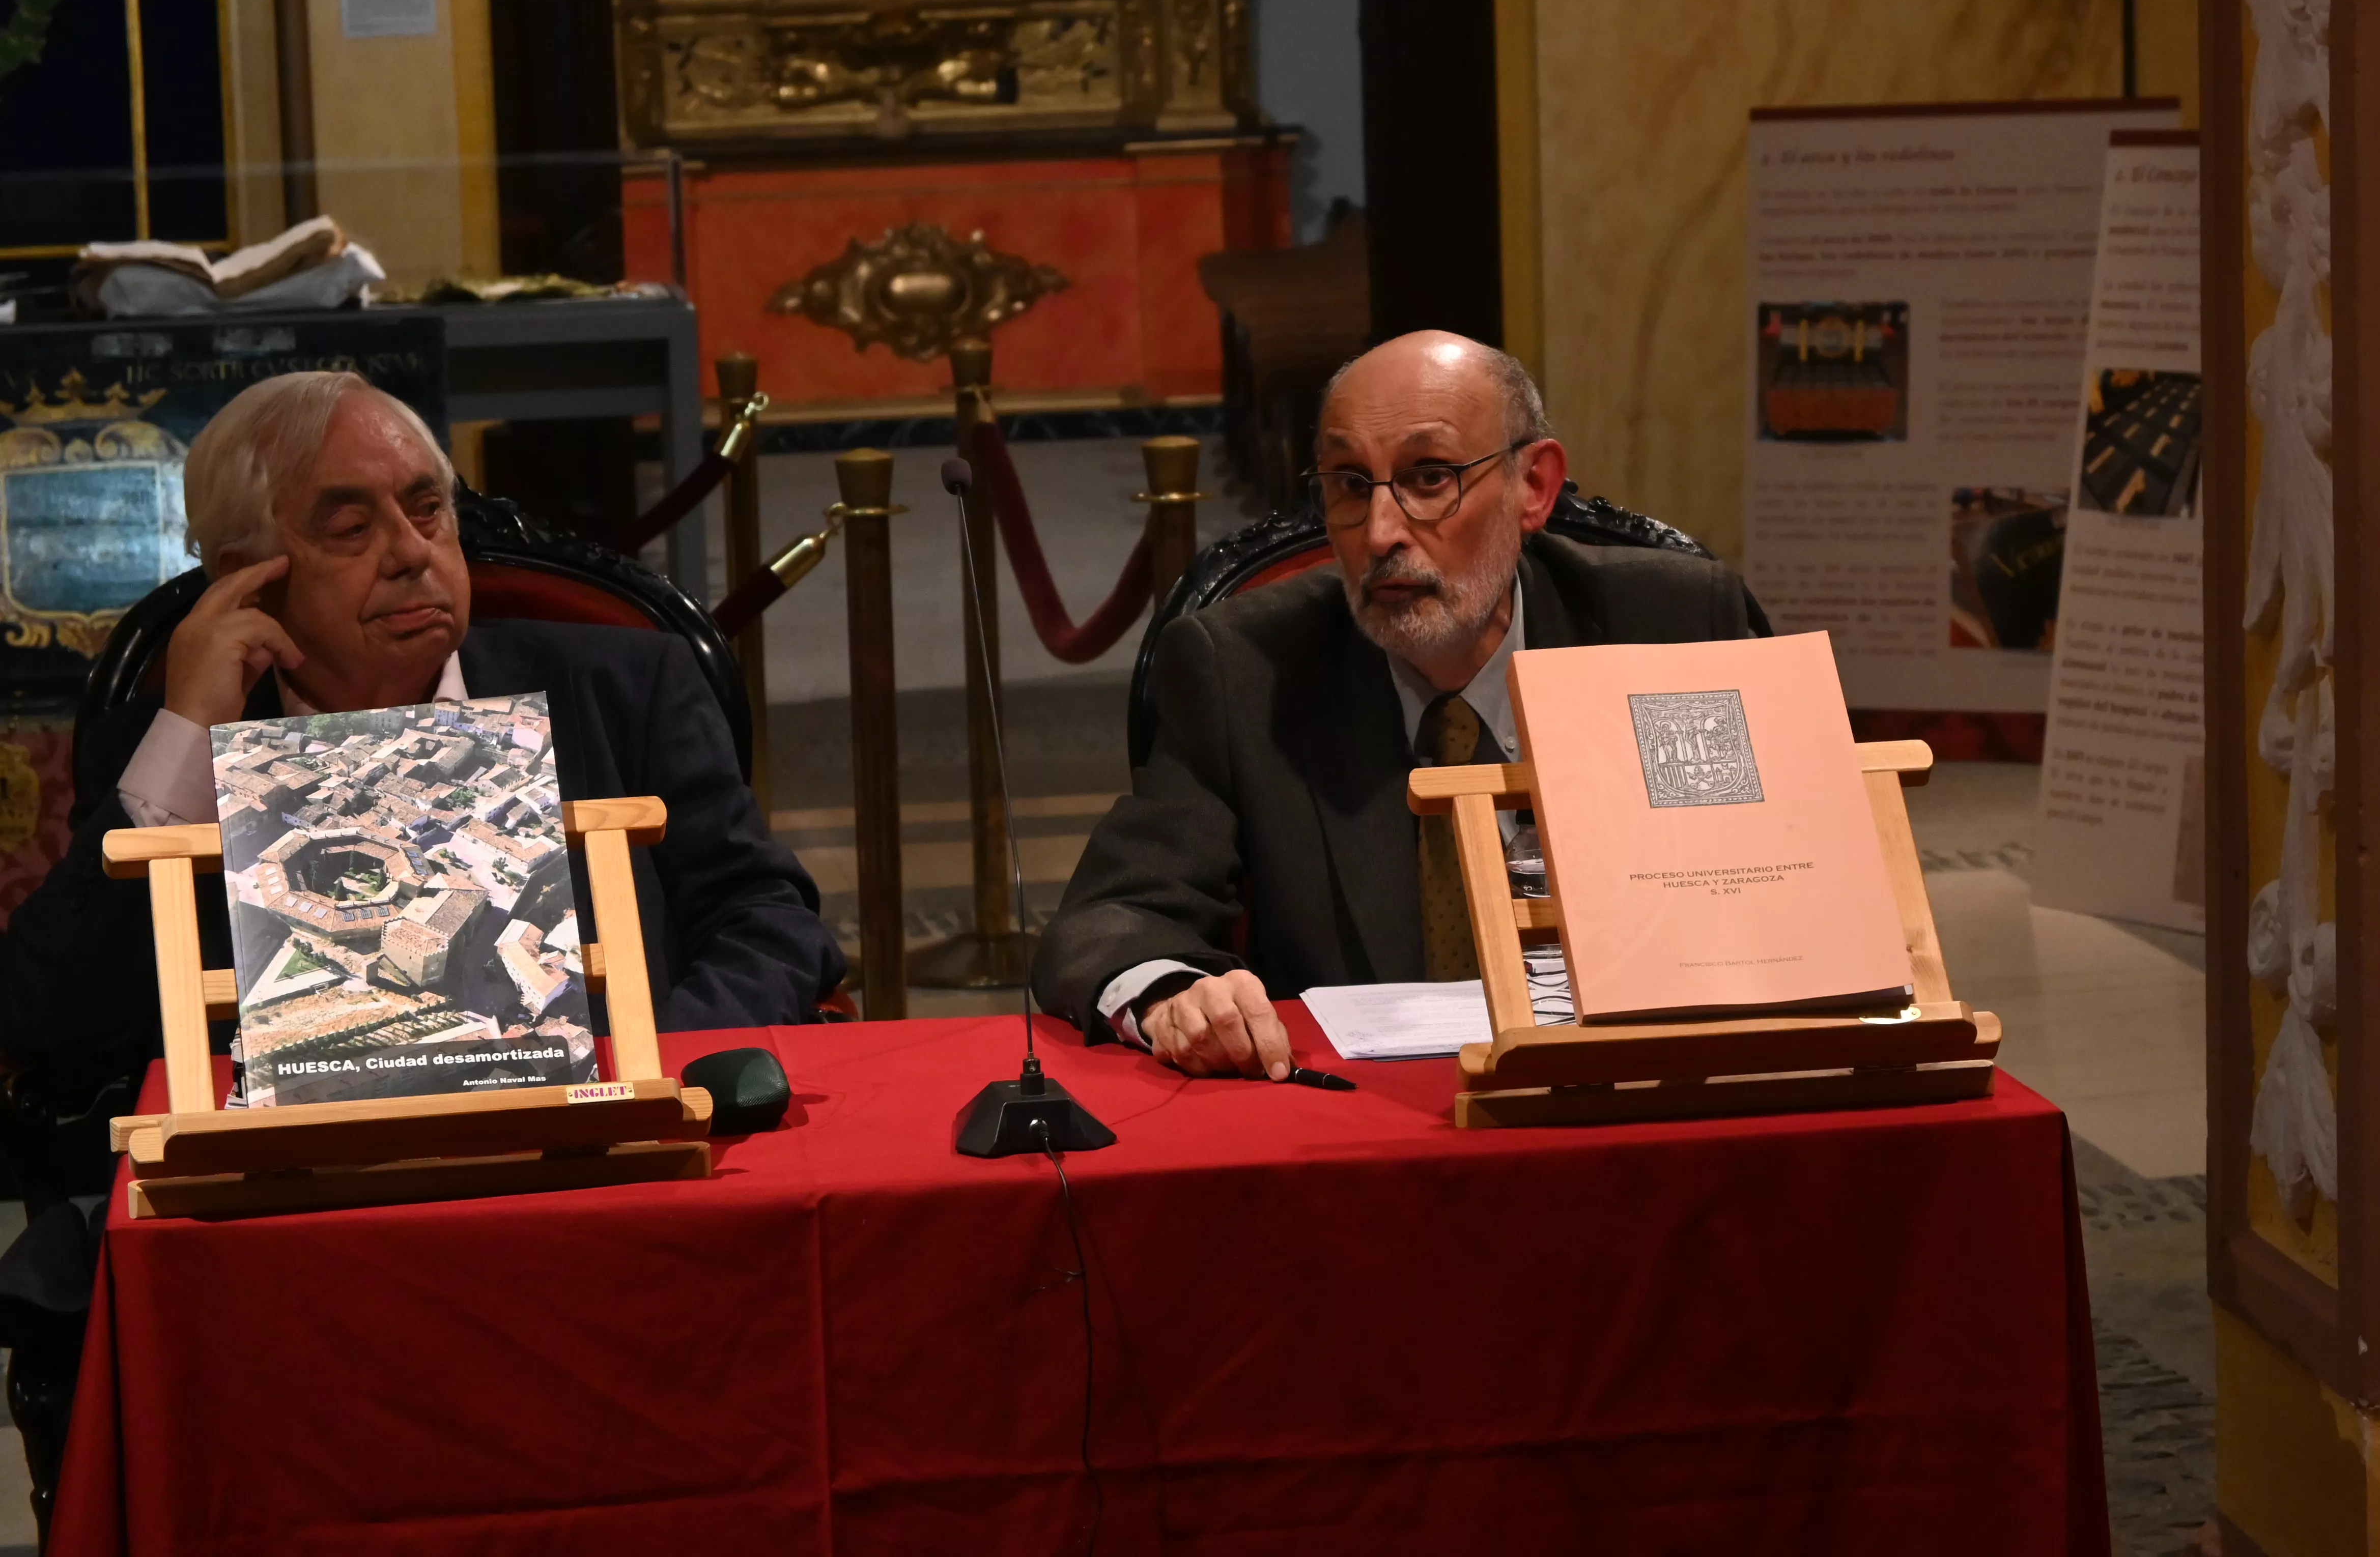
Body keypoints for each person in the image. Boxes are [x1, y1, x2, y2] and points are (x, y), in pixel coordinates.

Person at [0, 372, 846, 1090]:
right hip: (288, 1209)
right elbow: (46, 1022)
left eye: (427, 510)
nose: (412, 553)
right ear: (243, 578)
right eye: (352, 530)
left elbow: (767, 920)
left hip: (611, 1161)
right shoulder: (166, 753)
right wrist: (187, 743)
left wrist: (650, 1070)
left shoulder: (628, 689)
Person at [1036, 331, 1763, 1079]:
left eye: (1430, 477)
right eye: (1351, 483)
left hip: (1646, 1094)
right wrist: (1175, 997)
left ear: (1534, 488)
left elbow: (1784, 884)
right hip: (1367, 1131)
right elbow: (1112, 917)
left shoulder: (1672, 630)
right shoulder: (1246, 670)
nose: (1382, 532)